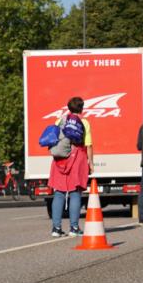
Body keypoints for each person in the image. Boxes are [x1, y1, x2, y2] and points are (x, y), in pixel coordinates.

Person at [49, 97, 94, 236]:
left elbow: (54, 139)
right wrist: (90, 162)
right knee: (75, 192)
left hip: (60, 159)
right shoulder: (84, 122)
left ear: (69, 108)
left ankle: (56, 228)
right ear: (82, 108)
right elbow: (88, 145)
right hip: (78, 157)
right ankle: (74, 228)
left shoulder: (59, 121)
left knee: (59, 192)